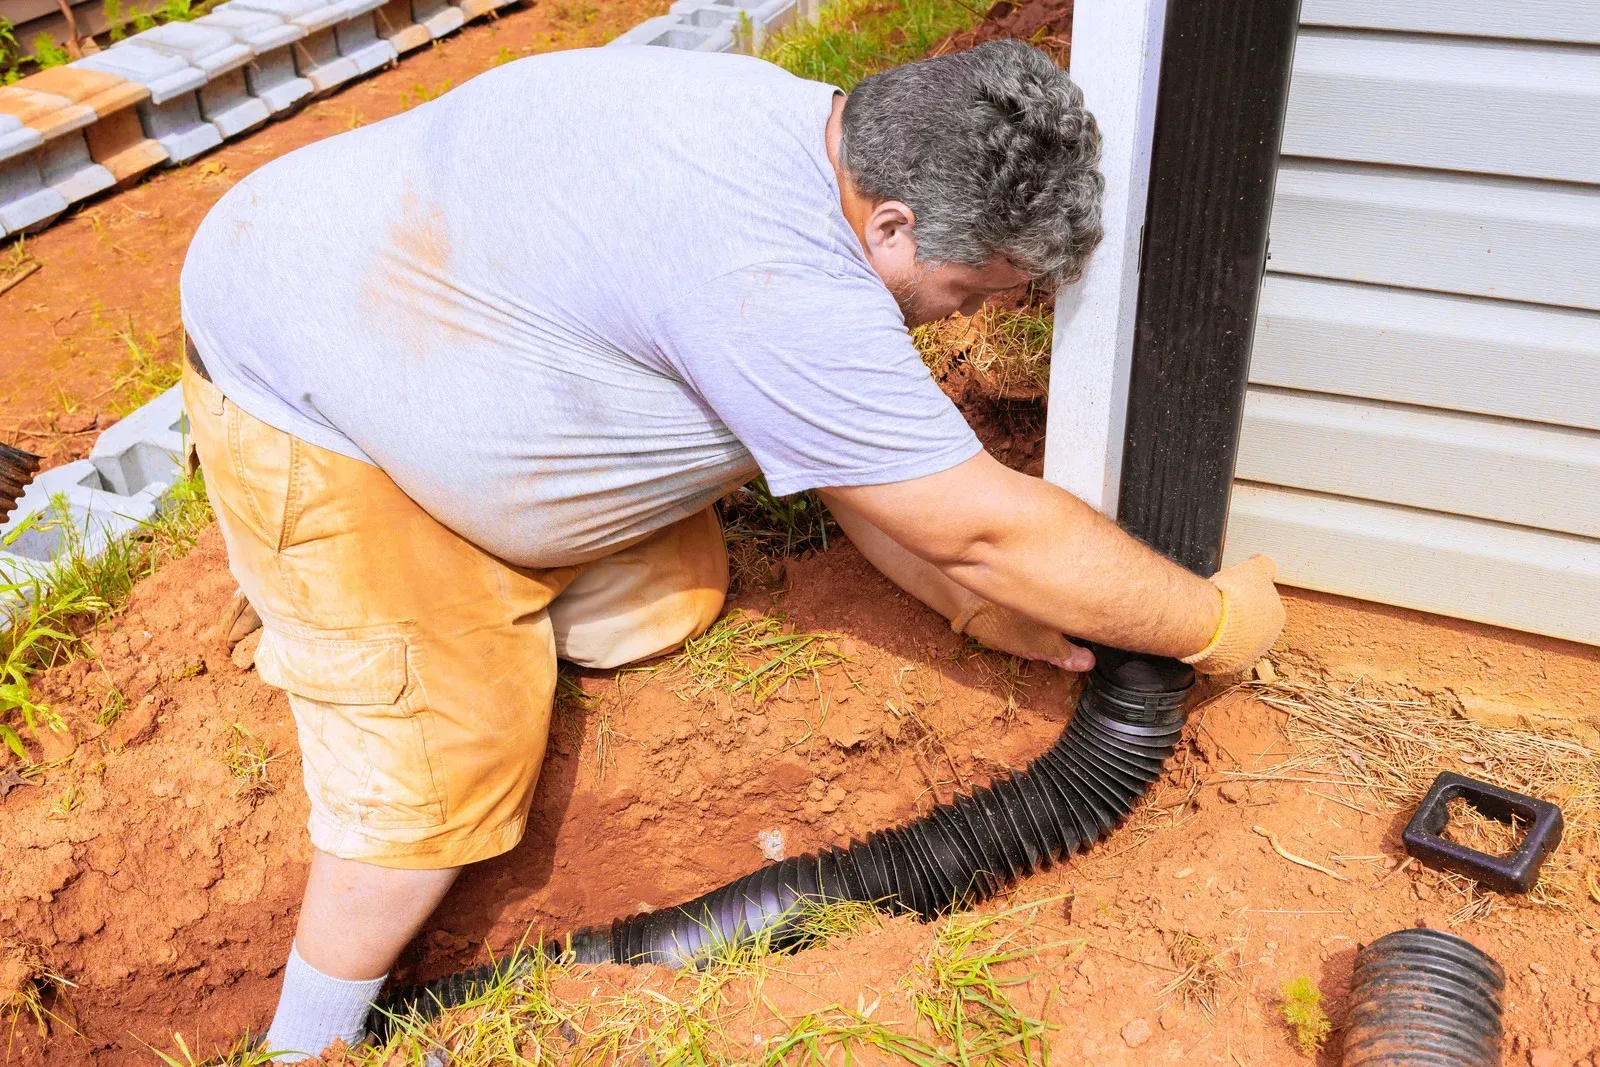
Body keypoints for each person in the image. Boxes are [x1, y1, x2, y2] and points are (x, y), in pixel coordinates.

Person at [178, 38, 1284, 1059]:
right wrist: (1212, 621)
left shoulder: (808, 134)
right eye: (970, 291)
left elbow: (874, 477)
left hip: (412, 287)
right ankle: (302, 1034)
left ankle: (469, 542)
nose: (960, 319)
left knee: (664, 599)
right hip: (316, 382)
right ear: (894, 225)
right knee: (439, 759)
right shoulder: (777, 280)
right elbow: (981, 524)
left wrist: (972, 606)